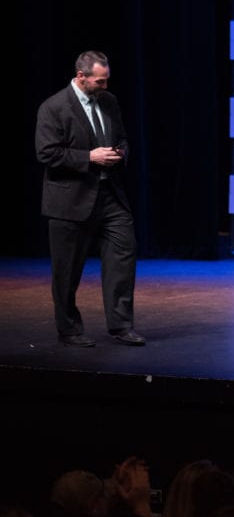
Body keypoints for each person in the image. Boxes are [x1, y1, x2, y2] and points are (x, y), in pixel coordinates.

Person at [34, 50, 145, 348]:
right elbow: (46, 153)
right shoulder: (54, 107)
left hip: (110, 196)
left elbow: (122, 139)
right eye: (100, 81)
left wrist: (119, 153)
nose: (105, 86)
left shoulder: (109, 101)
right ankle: (69, 329)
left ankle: (121, 325)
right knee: (67, 271)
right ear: (81, 76)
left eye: (107, 80)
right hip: (70, 200)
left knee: (123, 257)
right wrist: (89, 157)